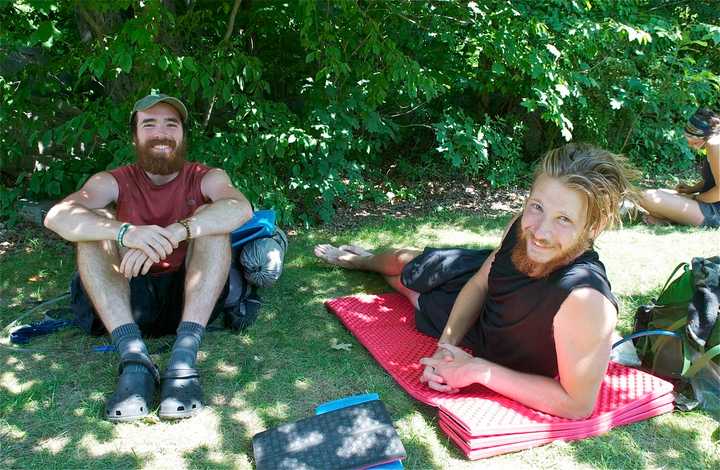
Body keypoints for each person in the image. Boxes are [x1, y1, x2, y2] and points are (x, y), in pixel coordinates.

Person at [315, 143, 637, 419]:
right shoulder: (521, 228)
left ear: (592, 227)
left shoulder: (585, 300)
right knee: (399, 262)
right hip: (480, 290)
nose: (539, 232)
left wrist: (479, 370)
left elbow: (578, 405)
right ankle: (361, 259)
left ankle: (369, 262)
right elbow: (481, 283)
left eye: (564, 219)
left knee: (405, 288)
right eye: (536, 207)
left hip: (486, 336)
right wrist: (446, 345)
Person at [44, 93, 252, 422]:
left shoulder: (206, 176)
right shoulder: (112, 180)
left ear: (183, 135)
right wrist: (127, 233)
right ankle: (133, 357)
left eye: (171, 124)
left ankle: (184, 353)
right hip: (126, 302)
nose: (161, 133)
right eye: (149, 124)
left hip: (188, 301)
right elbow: (58, 216)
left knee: (212, 222)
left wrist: (176, 231)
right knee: (93, 226)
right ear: (135, 135)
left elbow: (240, 208)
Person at [638, 108, 720, 227]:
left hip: (715, 212)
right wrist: (691, 189)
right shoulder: (714, 141)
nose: (689, 144)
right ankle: (668, 219)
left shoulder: (714, 145)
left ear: (700, 136)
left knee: (646, 197)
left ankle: (669, 219)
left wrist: (693, 197)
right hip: (710, 205)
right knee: (662, 193)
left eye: (690, 139)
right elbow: (714, 180)